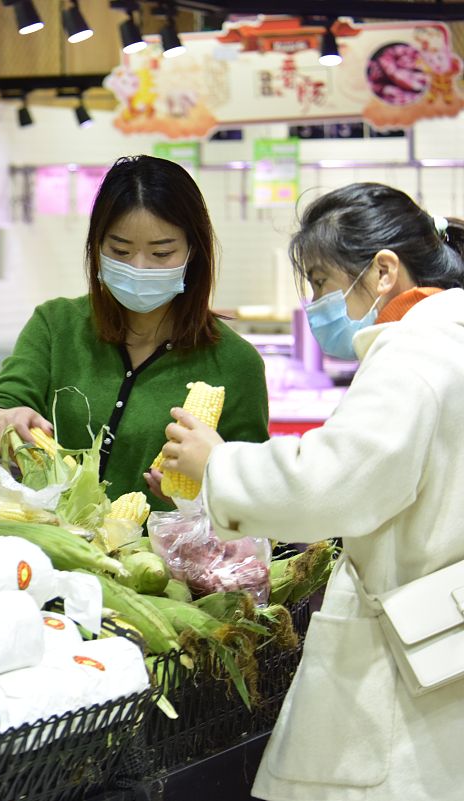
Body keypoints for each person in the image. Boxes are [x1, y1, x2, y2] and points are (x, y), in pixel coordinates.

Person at [161, 182, 464, 801]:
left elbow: (339, 481)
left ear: (383, 270)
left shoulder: (416, 355)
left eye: (322, 282)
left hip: (403, 650)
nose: (316, 303)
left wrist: (218, 466)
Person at [0, 155, 269, 508]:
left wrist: (199, 499)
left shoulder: (235, 362)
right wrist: (7, 423)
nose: (138, 267)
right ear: (96, 247)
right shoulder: (56, 325)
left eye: (161, 253)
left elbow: (254, 494)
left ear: (194, 252)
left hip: (163, 558)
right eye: (120, 250)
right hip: (54, 554)